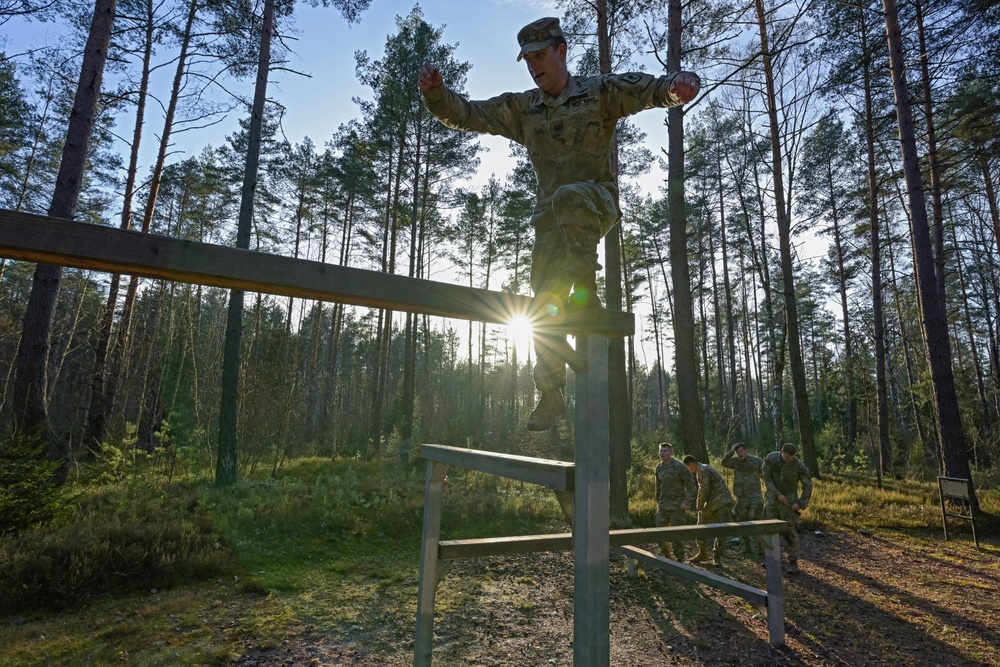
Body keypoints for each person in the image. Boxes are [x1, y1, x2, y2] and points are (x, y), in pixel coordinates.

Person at [418, 17, 701, 431]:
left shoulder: (598, 92)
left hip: (594, 203)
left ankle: (585, 295)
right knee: (542, 305)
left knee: (570, 197)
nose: (533, 66)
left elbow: (650, 90)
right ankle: (550, 395)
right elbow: (471, 114)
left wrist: (679, 84)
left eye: (540, 56)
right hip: (551, 222)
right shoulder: (523, 108)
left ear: (561, 51)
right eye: (527, 60)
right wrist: (437, 95)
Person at [761, 443, 813, 575]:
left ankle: (793, 563)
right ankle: (770, 560)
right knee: (769, 530)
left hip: (788, 505)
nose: (790, 459)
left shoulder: (797, 465)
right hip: (773, 501)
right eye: (787, 457)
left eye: (792, 457)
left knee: (789, 532)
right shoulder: (770, 459)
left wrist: (801, 503)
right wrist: (777, 494)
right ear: (782, 452)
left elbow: (807, 483)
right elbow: (767, 478)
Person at [683, 455, 734, 565]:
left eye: (688, 468)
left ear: (691, 464)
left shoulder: (702, 471)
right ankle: (703, 552)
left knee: (721, 530)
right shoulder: (703, 468)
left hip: (722, 503)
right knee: (701, 523)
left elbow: (704, 489)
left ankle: (717, 557)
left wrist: (699, 505)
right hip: (714, 503)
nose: (689, 471)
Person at [721, 442, 764, 557]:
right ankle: (747, 546)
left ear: (746, 450)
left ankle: (761, 546)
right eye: (737, 452)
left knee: (756, 519)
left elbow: (766, 475)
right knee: (742, 521)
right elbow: (723, 462)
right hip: (741, 497)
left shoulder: (757, 461)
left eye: (741, 451)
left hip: (755, 495)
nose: (740, 454)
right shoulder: (735, 461)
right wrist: (731, 451)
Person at [653, 442, 696, 560]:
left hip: (677, 507)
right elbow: (658, 487)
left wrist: (687, 502)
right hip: (663, 506)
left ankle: (679, 560)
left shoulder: (679, 466)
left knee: (677, 535)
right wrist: (658, 502)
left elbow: (692, 486)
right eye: (661, 451)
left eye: (665, 451)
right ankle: (666, 555)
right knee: (658, 533)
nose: (662, 453)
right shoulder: (658, 468)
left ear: (671, 453)